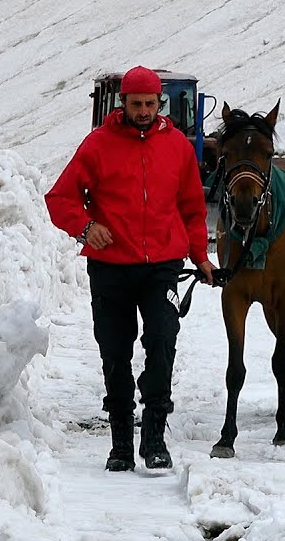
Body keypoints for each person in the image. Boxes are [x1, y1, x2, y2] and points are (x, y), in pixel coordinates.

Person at [45, 65, 216, 471]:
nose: (143, 110)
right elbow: (60, 198)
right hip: (110, 268)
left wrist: (201, 258)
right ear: (123, 103)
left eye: (150, 103)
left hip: (163, 266)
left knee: (161, 342)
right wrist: (86, 227)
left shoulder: (177, 147)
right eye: (136, 103)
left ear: (160, 103)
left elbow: (192, 210)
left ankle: (154, 438)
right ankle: (121, 442)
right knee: (115, 351)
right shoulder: (97, 145)